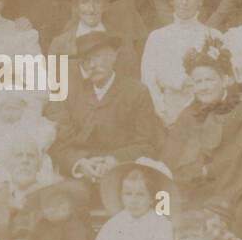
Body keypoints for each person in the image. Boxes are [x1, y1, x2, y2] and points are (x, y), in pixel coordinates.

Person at [161, 34, 242, 233]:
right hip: (189, 187)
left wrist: (207, 171)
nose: (204, 87)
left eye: (209, 80)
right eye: (198, 82)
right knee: (161, 209)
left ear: (226, 80)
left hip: (229, 187)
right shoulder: (188, 114)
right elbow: (171, 157)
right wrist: (188, 174)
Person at [49, 30, 163, 185]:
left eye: (97, 57)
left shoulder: (136, 92)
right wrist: (80, 164)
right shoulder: (71, 94)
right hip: (83, 174)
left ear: (113, 56)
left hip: (124, 172)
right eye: (86, 60)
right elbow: (60, 144)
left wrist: (113, 160)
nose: (92, 65)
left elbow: (148, 144)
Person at [141, 0, 219, 127]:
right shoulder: (157, 37)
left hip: (206, 113)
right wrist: (163, 113)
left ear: (201, 0)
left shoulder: (213, 36)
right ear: (171, 0)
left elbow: (223, 80)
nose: (184, 1)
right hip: (169, 112)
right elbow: (148, 82)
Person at [47, 0, 141, 82]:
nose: (91, 9)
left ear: (105, 5)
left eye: (97, 2)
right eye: (84, 2)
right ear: (75, 6)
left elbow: (132, 81)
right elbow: (54, 87)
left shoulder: (121, 40)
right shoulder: (60, 44)